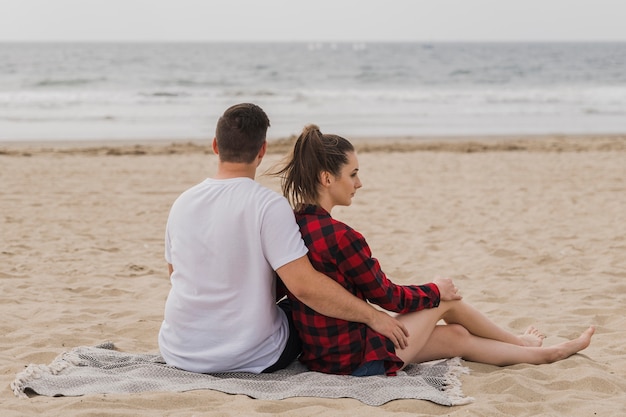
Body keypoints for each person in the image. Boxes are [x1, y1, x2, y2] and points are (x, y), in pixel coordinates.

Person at [271, 124, 595, 377]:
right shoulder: (343, 236)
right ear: (327, 178)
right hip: (356, 359)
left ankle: (539, 353)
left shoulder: (291, 226)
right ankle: (521, 342)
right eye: (353, 174)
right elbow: (389, 297)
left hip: (322, 356)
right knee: (447, 299)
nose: (359, 183)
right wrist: (435, 289)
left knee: (455, 336)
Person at [158, 104, 410, 374]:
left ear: (215, 146)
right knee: (301, 308)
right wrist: (373, 316)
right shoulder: (268, 206)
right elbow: (304, 287)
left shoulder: (182, 203)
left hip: (179, 350)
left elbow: (175, 273)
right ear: (262, 151)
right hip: (250, 355)